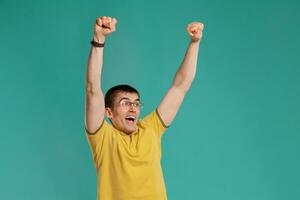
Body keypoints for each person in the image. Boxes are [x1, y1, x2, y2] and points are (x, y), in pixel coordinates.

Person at [85, 16, 204, 200]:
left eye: (136, 103)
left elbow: (181, 86)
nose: (133, 109)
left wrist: (194, 43)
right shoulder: (103, 139)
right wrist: (99, 39)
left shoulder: (151, 129)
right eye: (125, 103)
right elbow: (92, 89)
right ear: (108, 112)